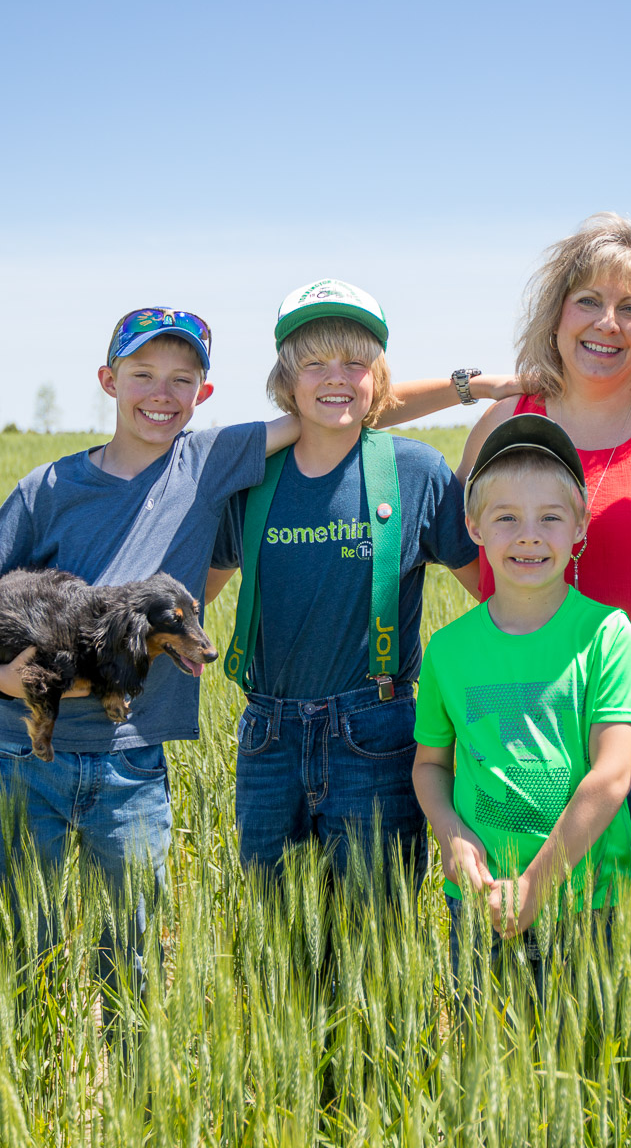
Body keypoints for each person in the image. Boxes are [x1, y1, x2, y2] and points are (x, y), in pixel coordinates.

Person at [0, 307, 296, 1008]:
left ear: (203, 394)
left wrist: (470, 389)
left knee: (132, 968)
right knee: (18, 961)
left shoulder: (207, 465)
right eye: (143, 374)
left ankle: (127, 1111)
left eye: (182, 379)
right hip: (24, 760)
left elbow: (329, 409)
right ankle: (29, 1109)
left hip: (131, 763)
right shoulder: (49, 489)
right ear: (108, 380)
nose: (162, 393)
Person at [207, 279, 481, 895]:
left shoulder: (415, 471)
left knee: (375, 940)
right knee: (274, 944)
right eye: (314, 362)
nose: (336, 376)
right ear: (287, 379)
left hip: (376, 736)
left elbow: (498, 600)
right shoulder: (251, 481)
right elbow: (191, 603)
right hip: (268, 740)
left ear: (378, 376)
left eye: (355, 361)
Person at [455, 214, 631, 841]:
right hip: (521, 737)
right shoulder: (505, 424)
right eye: (589, 301)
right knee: (516, 932)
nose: (608, 323)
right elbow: (464, 543)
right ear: (557, 315)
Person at [413, 413, 631, 991]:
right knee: (483, 1065)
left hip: (584, 902)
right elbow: (430, 765)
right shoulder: (447, 650)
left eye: (550, 517)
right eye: (506, 518)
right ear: (473, 526)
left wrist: (535, 887)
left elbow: (612, 774)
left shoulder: (606, 634)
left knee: (580, 1068)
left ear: (580, 525)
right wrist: (450, 835)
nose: (529, 535)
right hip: (481, 899)